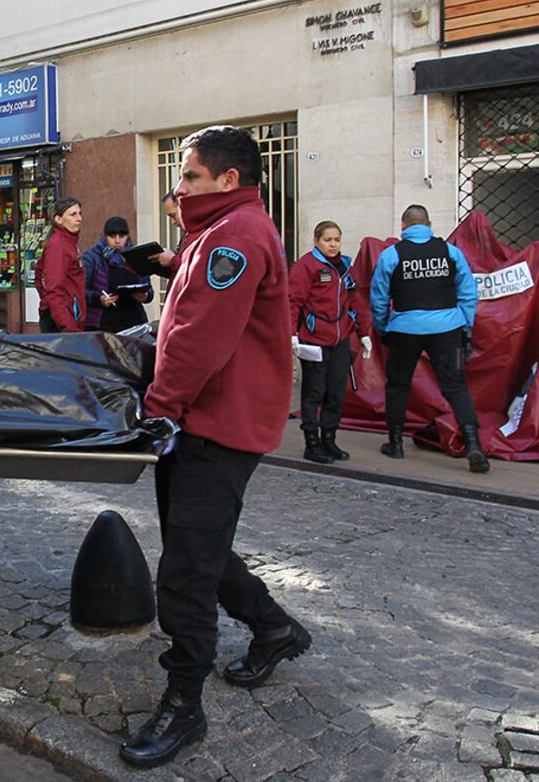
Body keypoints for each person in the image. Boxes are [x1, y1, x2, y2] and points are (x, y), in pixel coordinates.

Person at [120, 127, 309, 769]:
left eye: (191, 176)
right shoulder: (220, 231)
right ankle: (275, 628)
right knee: (199, 547)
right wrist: (169, 265)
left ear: (228, 181)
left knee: (184, 573)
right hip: (202, 422)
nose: (180, 187)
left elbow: (201, 336)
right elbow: (209, 292)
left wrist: (160, 408)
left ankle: (184, 705)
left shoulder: (235, 234)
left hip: (214, 427)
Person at [368, 204, 489, 474]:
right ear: (430, 224)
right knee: (455, 386)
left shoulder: (391, 255)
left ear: (403, 227)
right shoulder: (450, 252)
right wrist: (465, 326)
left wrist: (384, 328)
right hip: (447, 328)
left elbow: (378, 298)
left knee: (398, 385)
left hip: (405, 327)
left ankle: (395, 443)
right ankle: (473, 444)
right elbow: (468, 292)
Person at [288, 220, 373, 464]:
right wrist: (292, 333)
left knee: (336, 393)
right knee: (314, 393)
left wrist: (363, 332)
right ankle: (311, 443)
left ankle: (329, 439)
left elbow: (355, 301)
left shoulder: (346, 266)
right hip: (313, 340)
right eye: (328, 240)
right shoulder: (306, 266)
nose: (333, 244)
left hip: (340, 340)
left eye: (336, 239)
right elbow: (293, 301)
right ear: (316, 241)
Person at [81, 216, 154, 333]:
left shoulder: (136, 256)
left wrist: (145, 296)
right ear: (105, 237)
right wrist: (100, 299)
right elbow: (82, 290)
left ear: (127, 236)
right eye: (112, 236)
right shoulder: (93, 257)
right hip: (102, 324)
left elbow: (149, 290)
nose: (117, 241)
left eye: (122, 236)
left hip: (133, 322)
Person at [33, 197, 86, 332]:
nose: (79, 218)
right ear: (59, 219)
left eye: (80, 213)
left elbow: (39, 273)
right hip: (61, 321)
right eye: (73, 214)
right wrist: (67, 326)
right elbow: (54, 289)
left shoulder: (68, 243)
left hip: (67, 316)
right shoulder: (58, 245)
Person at [149, 190, 187, 277]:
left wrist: (172, 260)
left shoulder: (203, 234)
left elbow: (194, 275)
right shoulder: (186, 235)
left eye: (173, 215)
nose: (172, 222)